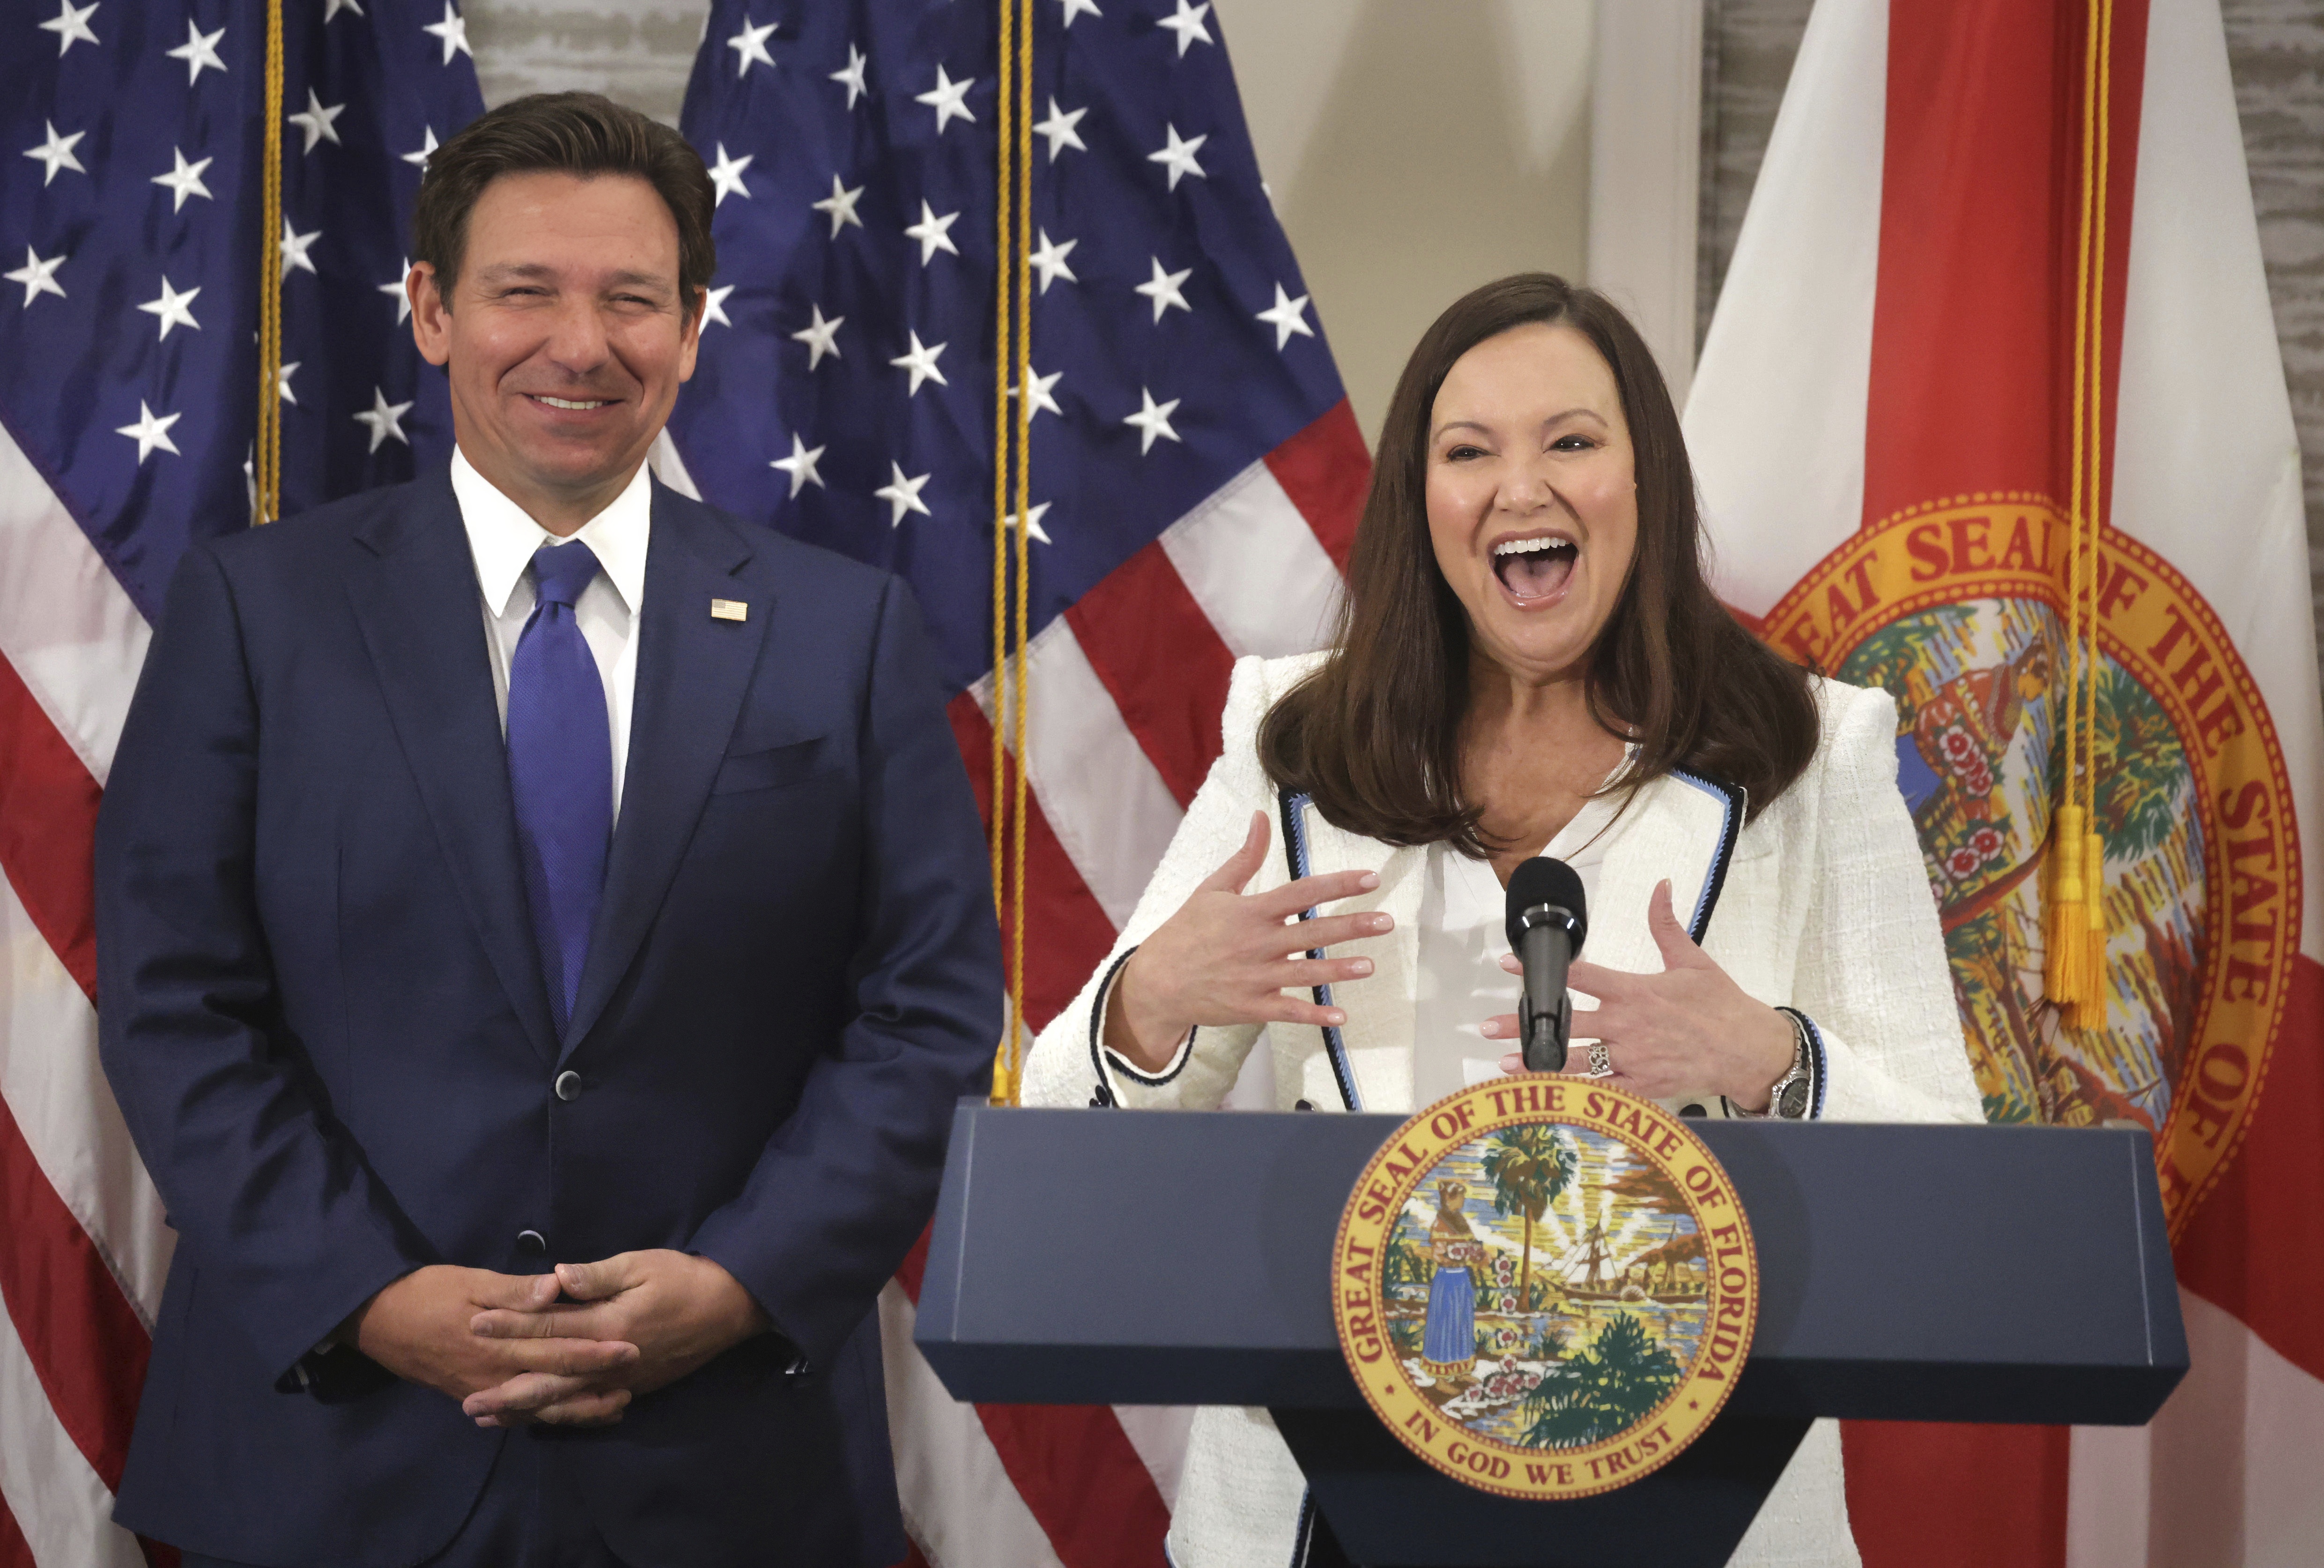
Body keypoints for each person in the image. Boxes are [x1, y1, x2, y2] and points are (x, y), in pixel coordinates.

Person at [96, 93, 999, 1568]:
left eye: (631, 298)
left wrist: (735, 1281)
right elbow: (173, 1002)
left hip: (727, 1467)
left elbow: (927, 1008)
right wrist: (371, 1295)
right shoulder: (257, 613)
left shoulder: (843, 631)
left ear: (692, 329)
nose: (580, 344)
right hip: (334, 1457)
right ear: (431, 310)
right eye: (526, 290)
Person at [1020, 274, 1982, 1568]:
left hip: (1700, 1491)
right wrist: (1154, 998)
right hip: (1324, 1496)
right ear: (1424, 507)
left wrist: (1769, 1058)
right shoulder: (1296, 739)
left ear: (1646, 484)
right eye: (1467, 453)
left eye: (1571, 442)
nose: (1518, 489)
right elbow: (1056, 1131)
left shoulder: (1809, 753)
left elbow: (1953, 1181)